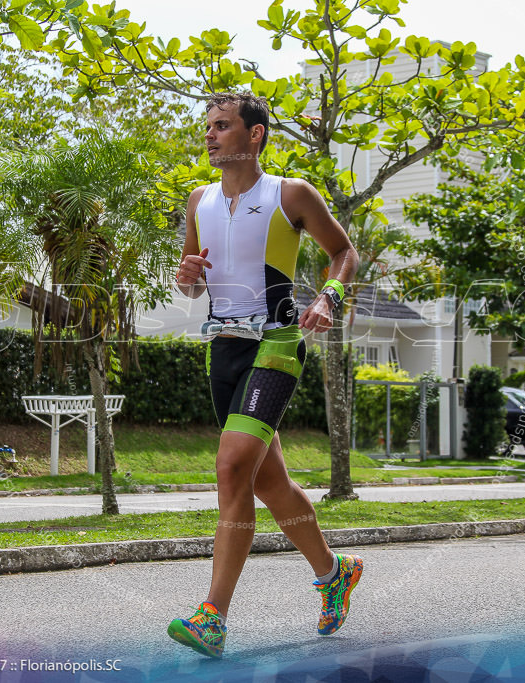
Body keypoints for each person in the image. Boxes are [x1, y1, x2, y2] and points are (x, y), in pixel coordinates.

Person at [170, 92, 362, 658]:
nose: (210, 135)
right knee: (268, 482)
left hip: (277, 342)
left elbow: (343, 252)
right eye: (208, 126)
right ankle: (334, 573)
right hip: (223, 347)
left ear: (254, 135)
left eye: (222, 126)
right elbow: (192, 283)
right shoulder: (198, 200)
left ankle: (213, 616)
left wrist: (329, 297)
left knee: (231, 469)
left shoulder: (290, 194)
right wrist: (186, 275)